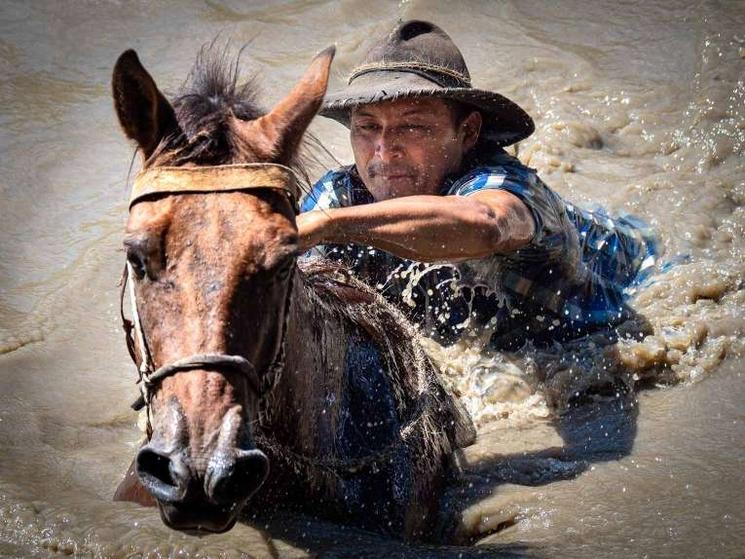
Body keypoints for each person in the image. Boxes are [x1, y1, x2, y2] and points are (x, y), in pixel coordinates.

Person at [297, 20, 656, 350]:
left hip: (633, 281)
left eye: (413, 126)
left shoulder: (504, 184)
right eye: (368, 127)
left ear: (468, 131)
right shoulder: (338, 197)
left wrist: (331, 225)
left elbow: (486, 224)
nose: (384, 150)